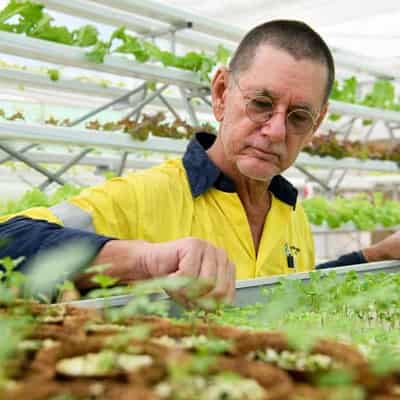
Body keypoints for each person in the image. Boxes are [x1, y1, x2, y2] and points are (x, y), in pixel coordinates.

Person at [0, 20, 399, 304]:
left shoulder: (290, 213)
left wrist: (373, 256)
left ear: (318, 123)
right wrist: (145, 259)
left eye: (298, 117)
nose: (276, 131)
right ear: (222, 93)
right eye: (261, 103)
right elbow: (9, 243)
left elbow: (285, 290)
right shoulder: (146, 196)